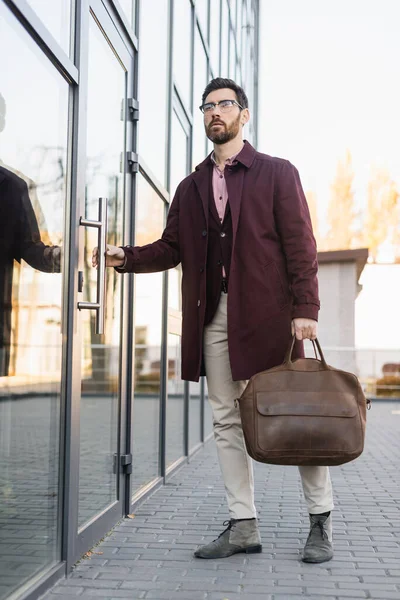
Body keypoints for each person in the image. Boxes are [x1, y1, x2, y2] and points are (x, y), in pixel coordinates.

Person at [92, 78, 334, 563]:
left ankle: (319, 521)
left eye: (224, 104)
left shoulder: (277, 173)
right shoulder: (192, 185)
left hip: (271, 318)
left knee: (296, 415)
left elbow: (300, 246)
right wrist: (125, 256)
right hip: (214, 318)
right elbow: (173, 247)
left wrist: (305, 309)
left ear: (244, 114)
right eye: (207, 107)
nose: (214, 113)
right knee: (226, 420)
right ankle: (243, 524)